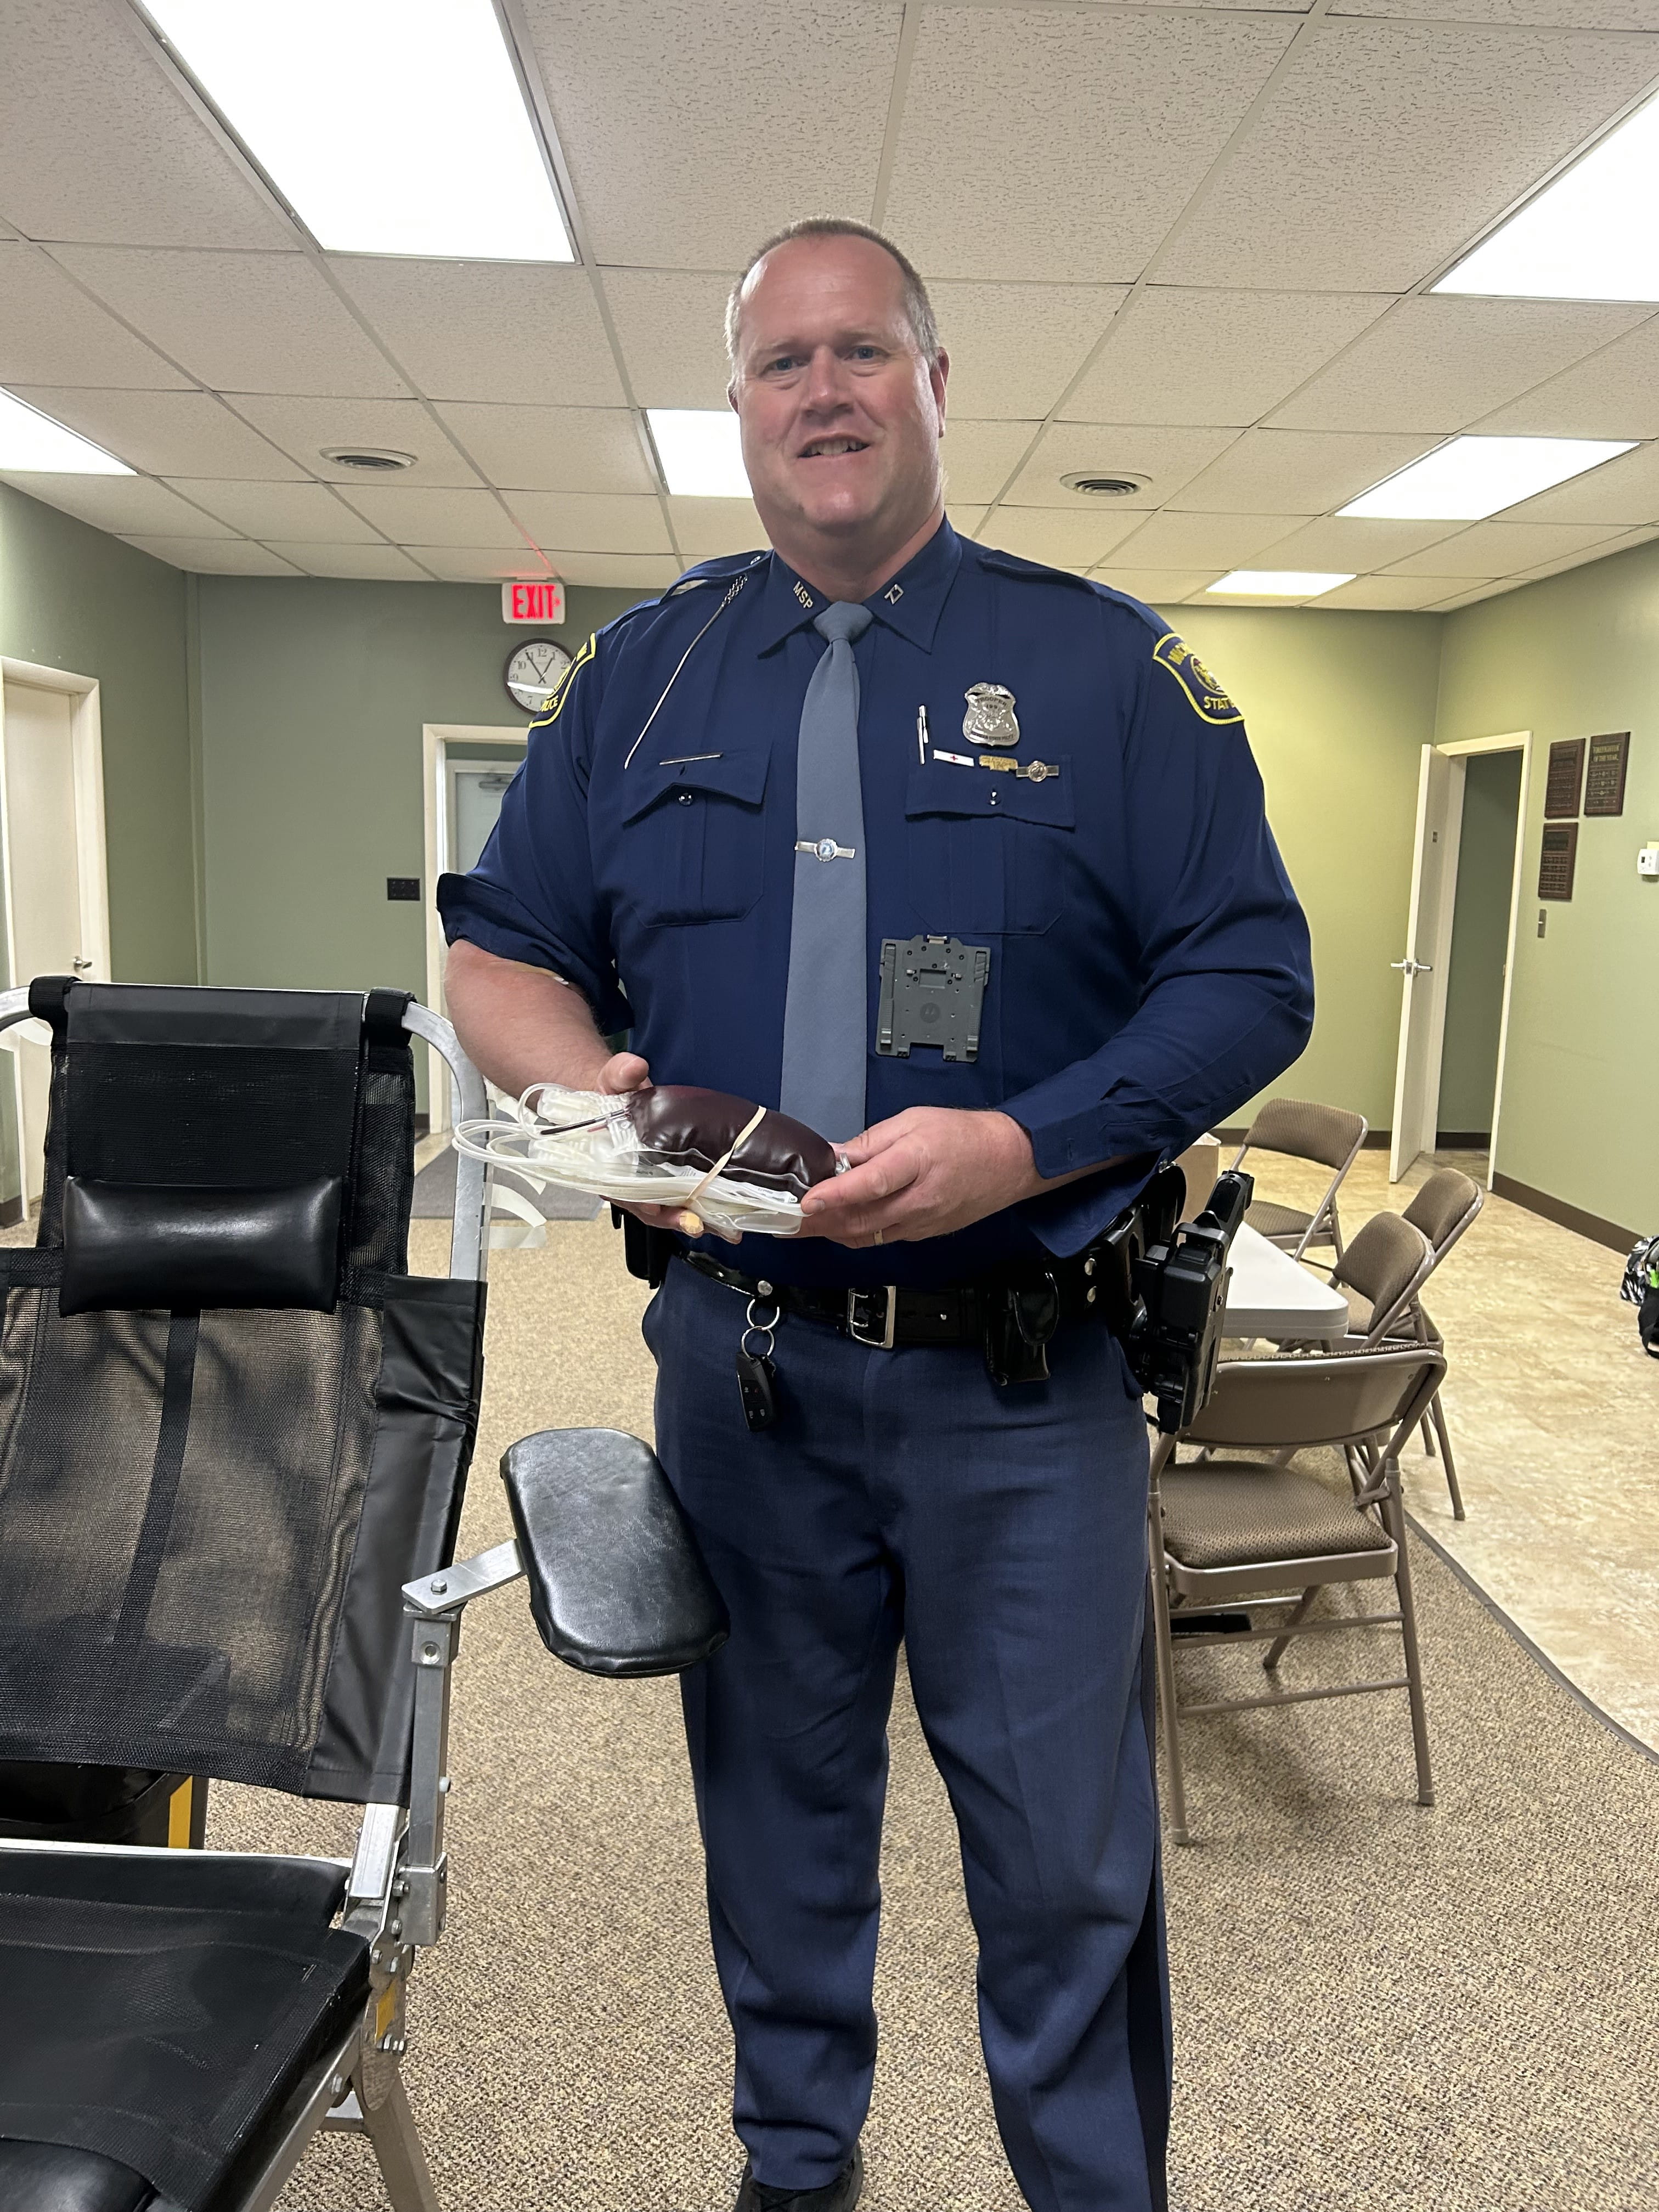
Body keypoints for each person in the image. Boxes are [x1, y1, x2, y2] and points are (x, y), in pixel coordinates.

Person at [439, 217, 1313, 2212]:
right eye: (782, 361)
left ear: (934, 384)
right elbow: (501, 951)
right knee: (776, 1820)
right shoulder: (644, 678)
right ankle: (796, 2170)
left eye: (861, 351)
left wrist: (1028, 1142)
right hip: (742, 1374)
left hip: (1023, 1381)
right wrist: (588, 1095)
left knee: (1066, 1859)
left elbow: (1252, 978)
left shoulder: (1107, 670)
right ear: (739, 406)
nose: (823, 391)